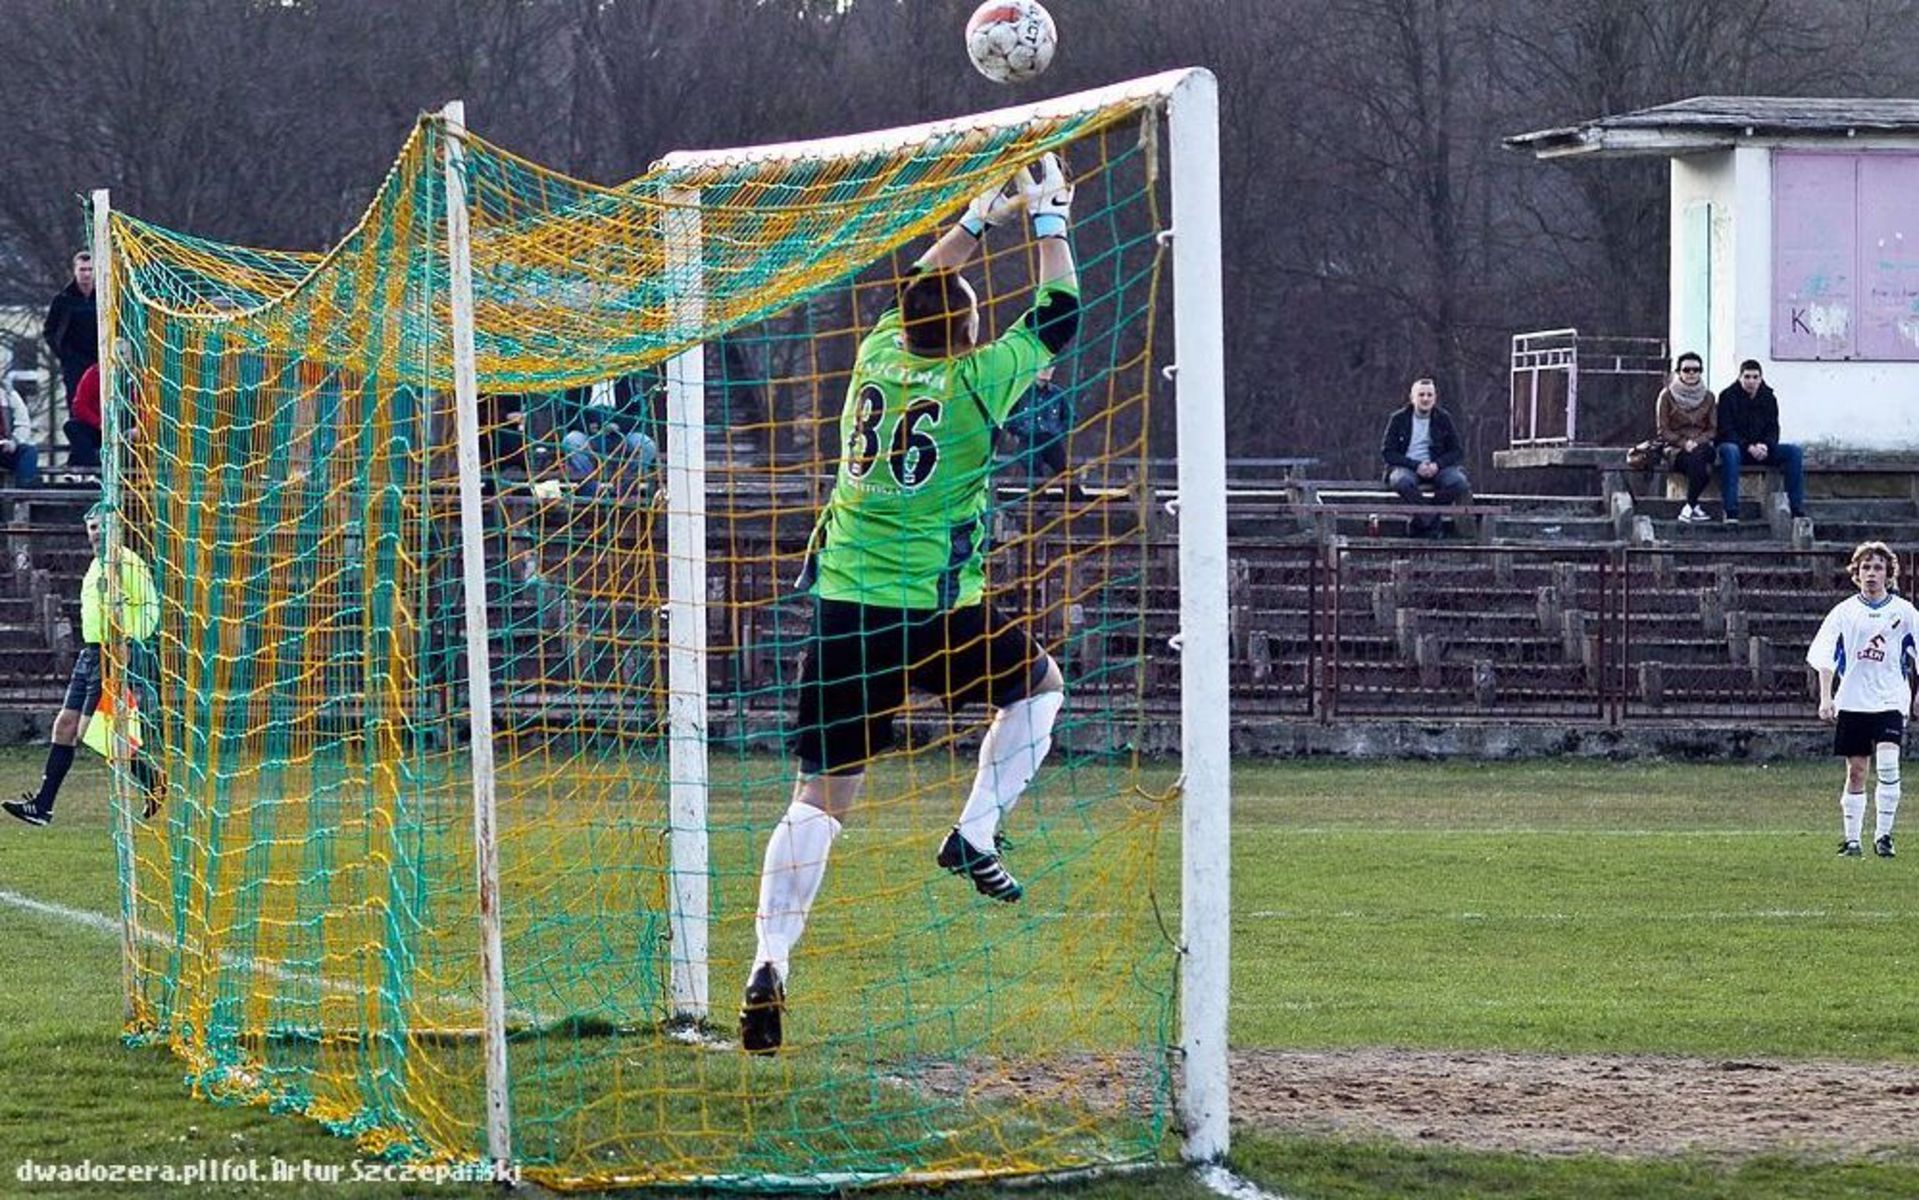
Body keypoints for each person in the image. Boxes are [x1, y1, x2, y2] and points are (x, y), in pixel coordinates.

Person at [739, 154, 1080, 1055]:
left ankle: (770, 958)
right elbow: (1058, 316)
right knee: (1039, 685)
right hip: (933, 613)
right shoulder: (976, 381)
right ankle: (973, 832)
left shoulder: (877, 353)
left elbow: (926, 280)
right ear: (967, 327)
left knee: (820, 793)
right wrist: (1049, 217)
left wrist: (979, 216)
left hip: (846, 606)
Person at [5, 505, 165, 827]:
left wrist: (128, 643)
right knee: (64, 725)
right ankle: (42, 807)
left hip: (115, 653)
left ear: (116, 529)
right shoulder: (97, 566)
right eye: (92, 527)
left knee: (93, 731)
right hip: (90, 654)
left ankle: (153, 780)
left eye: (102, 526)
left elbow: (150, 610)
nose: (96, 533)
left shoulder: (128, 564)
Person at [1806, 541, 1918, 858]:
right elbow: (1825, 657)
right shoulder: (1844, 612)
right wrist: (1826, 698)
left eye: (1878, 567)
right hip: (1853, 701)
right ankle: (1852, 840)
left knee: (1887, 763)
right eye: (1866, 567)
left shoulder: (1904, 612)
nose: (1871, 573)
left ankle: (1884, 836)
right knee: (1856, 771)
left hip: (1890, 700)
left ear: (1889, 574)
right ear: (1856, 573)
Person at [1716, 359, 1806, 524]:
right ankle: (1731, 512)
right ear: (1740, 378)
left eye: (1755, 377)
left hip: (1762, 448)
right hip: (1738, 448)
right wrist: (1748, 446)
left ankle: (1796, 510)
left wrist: (1765, 445)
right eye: (1747, 377)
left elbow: (1773, 428)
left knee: (1794, 452)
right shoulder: (1727, 396)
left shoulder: (1768, 397)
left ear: (1761, 378)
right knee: (1729, 451)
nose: (1751, 381)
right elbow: (1725, 430)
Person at [1380, 377, 1472, 538]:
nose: (1425, 399)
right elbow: (1388, 452)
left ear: (1435, 398)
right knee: (1401, 482)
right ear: (1412, 397)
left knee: (1459, 482)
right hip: (1407, 467)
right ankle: (1432, 522)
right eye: (1421, 395)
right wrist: (1416, 466)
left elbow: (1456, 451)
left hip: (1437, 467)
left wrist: (1437, 465)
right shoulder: (1398, 419)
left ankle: (1420, 522)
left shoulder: (1443, 418)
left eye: (1429, 395)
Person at [1657, 352, 1716, 523]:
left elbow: (1713, 429)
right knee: (1701, 470)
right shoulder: (1666, 396)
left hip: (1702, 445)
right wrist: (1683, 443)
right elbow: (1663, 430)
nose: (1691, 374)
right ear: (1678, 372)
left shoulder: (1709, 397)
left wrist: (1695, 442)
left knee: (1700, 456)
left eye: (1696, 370)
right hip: (1675, 448)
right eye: (1686, 369)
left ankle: (1688, 506)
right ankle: (1693, 507)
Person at [42, 251, 97, 403]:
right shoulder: (63, 300)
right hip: (75, 363)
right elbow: (49, 331)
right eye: (82, 269)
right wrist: (65, 355)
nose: (86, 274)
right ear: (75, 271)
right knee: (76, 402)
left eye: (90, 269)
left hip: (100, 360)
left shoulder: (104, 297)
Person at [0, 378, 41, 487]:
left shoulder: (9, 395)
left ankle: (23, 494)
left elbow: (23, 424)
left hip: (4, 447)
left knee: (28, 451)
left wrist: (14, 441)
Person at [64, 361, 102, 468]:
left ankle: (77, 464)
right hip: (97, 427)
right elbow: (79, 406)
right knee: (72, 427)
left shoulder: (134, 376)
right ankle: (91, 466)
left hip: (124, 427)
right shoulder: (93, 373)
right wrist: (99, 423)